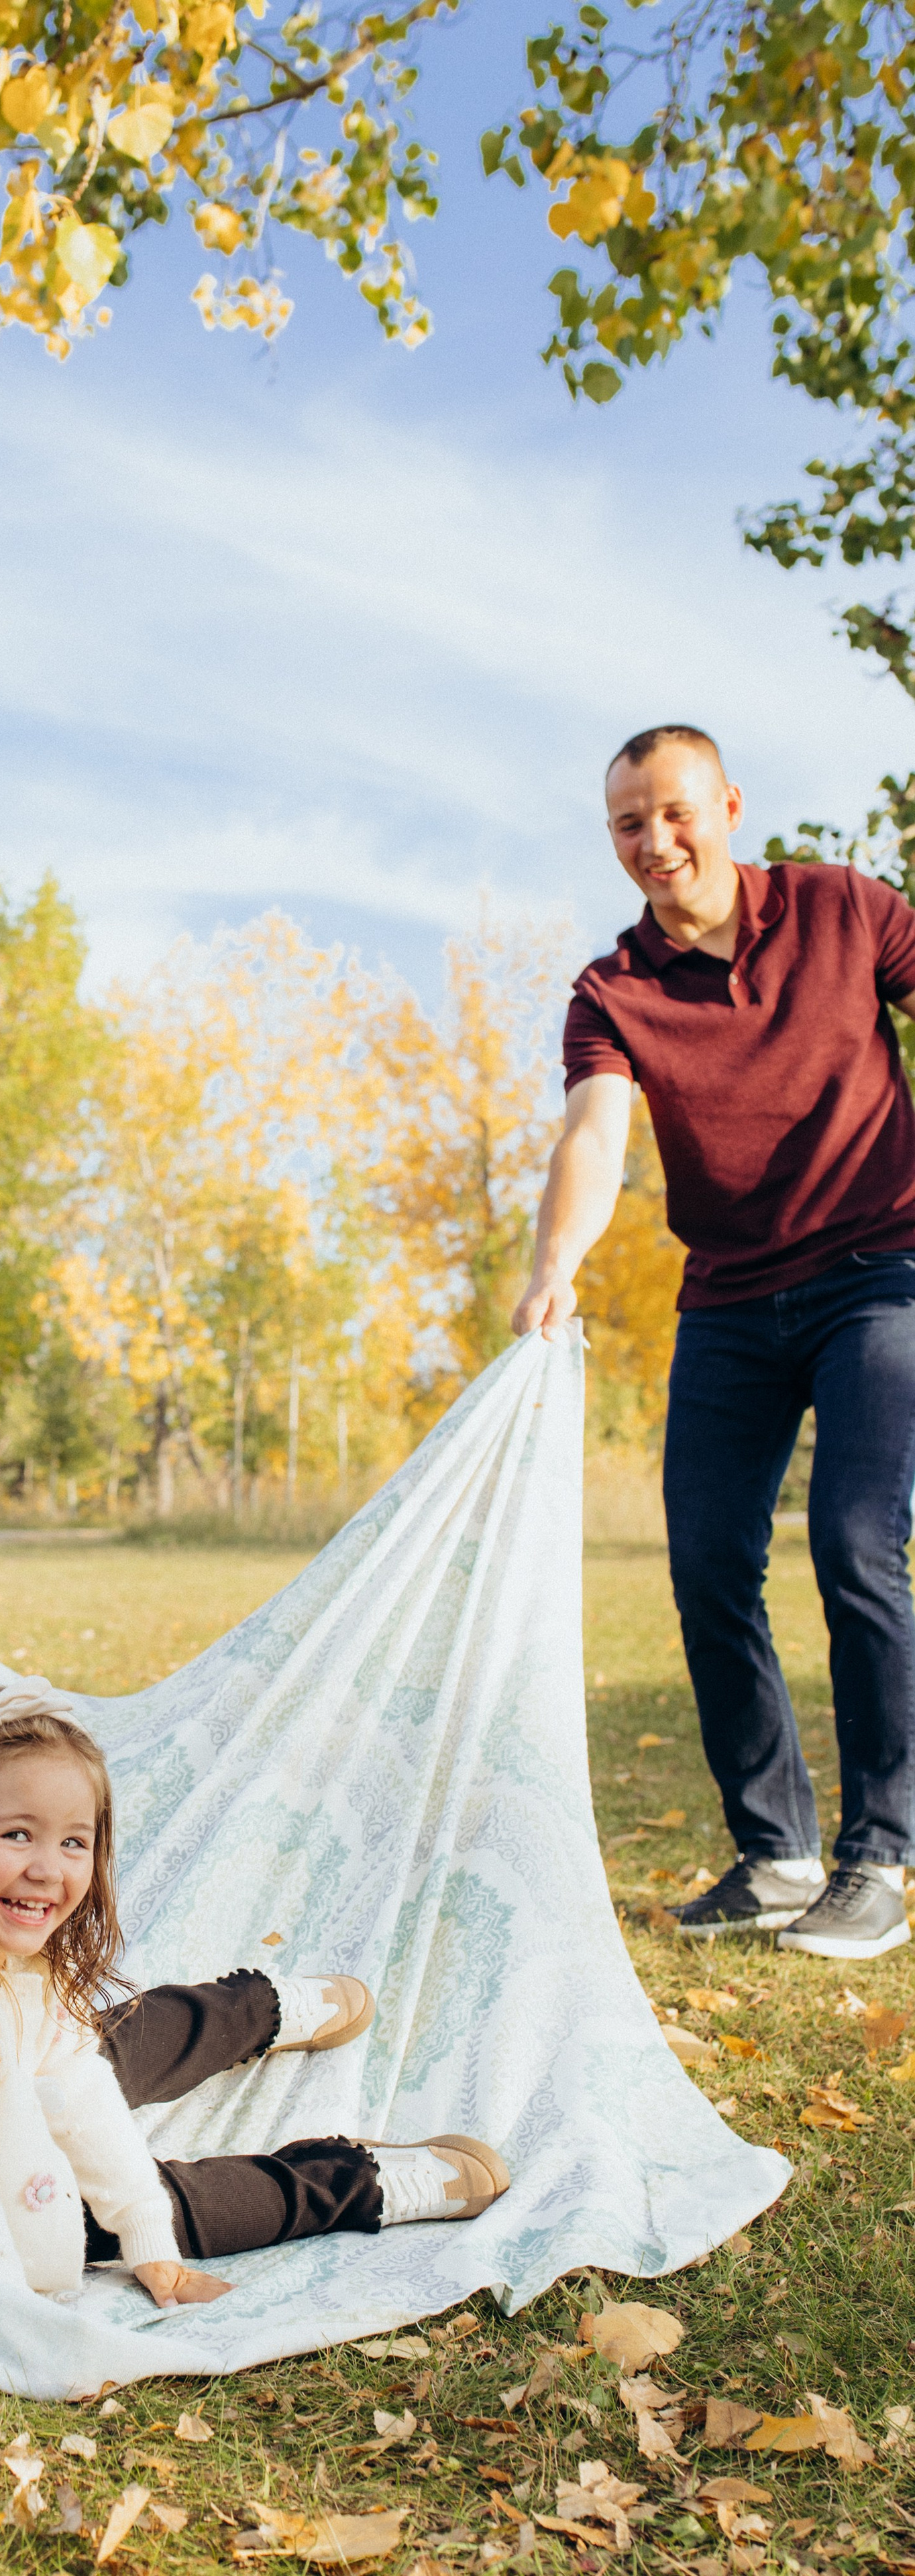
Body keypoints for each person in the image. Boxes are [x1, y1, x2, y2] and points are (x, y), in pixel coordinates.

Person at [513, 725, 915, 1962]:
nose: (656, 842)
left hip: (880, 1277)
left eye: (675, 812)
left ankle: (882, 1856)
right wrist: (551, 1268)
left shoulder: (847, 911)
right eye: (629, 823)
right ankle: (778, 1850)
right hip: (733, 1301)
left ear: (730, 806)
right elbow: (593, 1137)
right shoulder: (612, 989)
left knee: (854, 1542)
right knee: (705, 1565)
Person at [0, 1683, 510, 2301]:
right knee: (167, 2206)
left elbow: (81, 2091)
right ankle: (355, 2182)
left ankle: (260, 2010)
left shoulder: (2, 1951)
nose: (48, 1868)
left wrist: (142, 2226)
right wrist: (133, 2258)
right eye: (15, 1834)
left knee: (108, 2046)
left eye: (73, 1842)